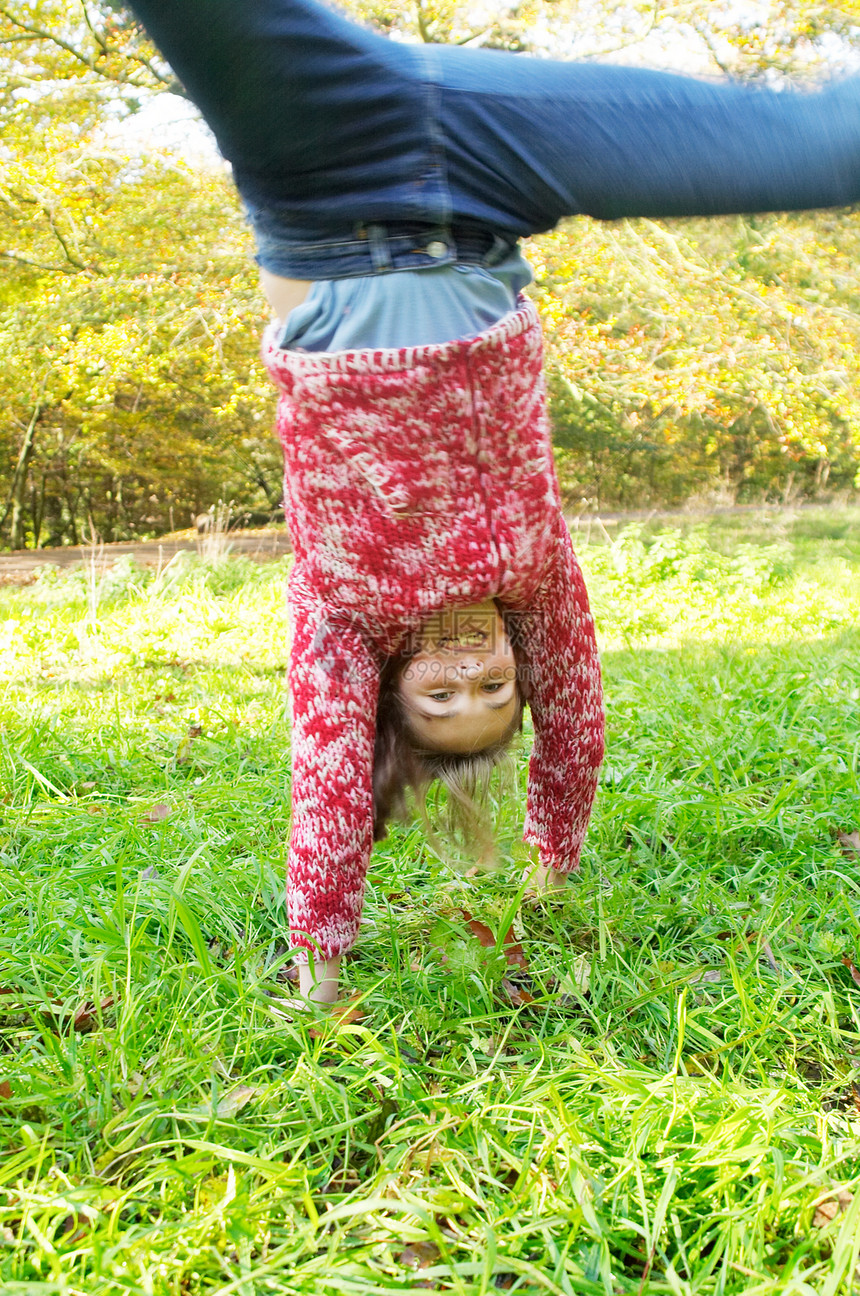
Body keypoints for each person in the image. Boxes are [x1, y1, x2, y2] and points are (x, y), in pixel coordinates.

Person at [125, 0, 860, 1003]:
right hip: (490, 169)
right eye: (496, 692)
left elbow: (329, 785)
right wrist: (550, 853)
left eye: (442, 696)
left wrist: (319, 973)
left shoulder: (346, 618)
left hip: (319, 167)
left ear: (390, 685)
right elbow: (578, 722)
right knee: (829, 148)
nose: (473, 673)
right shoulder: (536, 581)